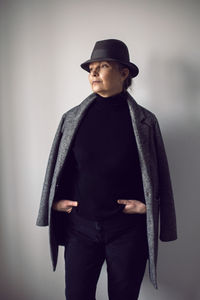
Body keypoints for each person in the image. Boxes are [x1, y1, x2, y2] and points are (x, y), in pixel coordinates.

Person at [36, 39, 177, 300]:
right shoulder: (72, 118)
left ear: (124, 73)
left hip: (127, 231)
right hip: (80, 229)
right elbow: (58, 169)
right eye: (91, 68)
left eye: (102, 66)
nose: (93, 73)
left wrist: (149, 207)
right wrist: (53, 203)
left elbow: (160, 176)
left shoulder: (145, 122)